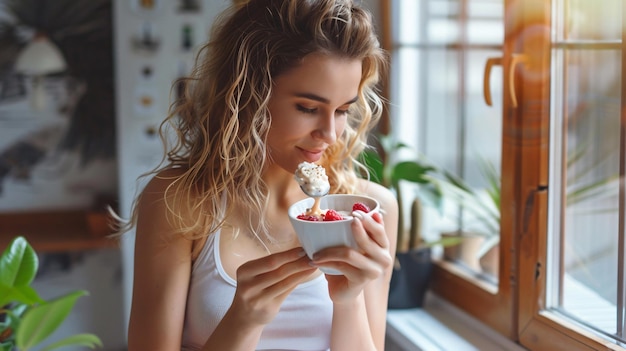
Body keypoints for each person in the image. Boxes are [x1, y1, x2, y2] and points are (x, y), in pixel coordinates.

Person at [122, 0, 398, 350]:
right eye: (308, 108)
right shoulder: (181, 200)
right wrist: (243, 321)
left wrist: (349, 299)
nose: (330, 133)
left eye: (342, 110)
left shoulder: (371, 209)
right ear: (248, 96)